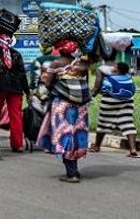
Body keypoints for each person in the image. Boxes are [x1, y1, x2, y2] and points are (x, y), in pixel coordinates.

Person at [37, 40, 90, 183]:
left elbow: (47, 84)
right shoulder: (82, 64)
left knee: (65, 135)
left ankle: (71, 173)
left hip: (63, 104)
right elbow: (86, 83)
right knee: (76, 134)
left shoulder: (56, 64)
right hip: (81, 106)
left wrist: (52, 87)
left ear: (59, 50)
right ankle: (74, 170)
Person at [90, 61, 140, 158]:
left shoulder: (105, 73)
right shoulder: (127, 76)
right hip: (127, 101)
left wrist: (91, 97)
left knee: (103, 123)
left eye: (115, 66)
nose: (113, 67)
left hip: (109, 101)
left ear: (118, 69)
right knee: (128, 123)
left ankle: (96, 146)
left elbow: (98, 88)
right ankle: (133, 149)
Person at [0, 32, 29, 153]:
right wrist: (27, 91)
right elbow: (22, 74)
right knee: (16, 116)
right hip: (16, 87)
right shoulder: (16, 54)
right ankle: (18, 145)